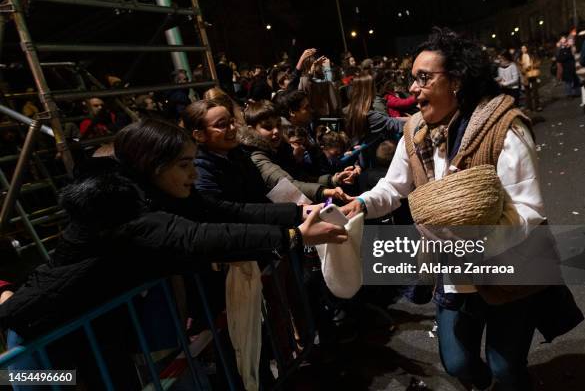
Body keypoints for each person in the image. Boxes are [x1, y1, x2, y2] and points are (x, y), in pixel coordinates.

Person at [0, 119, 347, 386]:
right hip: (38, 342)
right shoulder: (115, 207)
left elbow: (225, 212)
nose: (194, 174)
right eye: (184, 165)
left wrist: (296, 214)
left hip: (95, 334)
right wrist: (292, 236)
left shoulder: (153, 193)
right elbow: (194, 236)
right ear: (153, 165)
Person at [341, 28, 583, 391]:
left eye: (424, 78)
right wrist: (359, 203)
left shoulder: (505, 128)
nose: (413, 89)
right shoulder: (415, 131)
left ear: (456, 80)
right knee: (457, 363)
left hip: (510, 271)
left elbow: (528, 210)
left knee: (506, 368)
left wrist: (474, 249)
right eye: (412, 79)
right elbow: (394, 187)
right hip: (454, 277)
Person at [344, 73, 408, 169]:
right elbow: (395, 124)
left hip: (357, 161)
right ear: (368, 91)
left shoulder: (348, 111)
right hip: (369, 164)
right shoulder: (369, 115)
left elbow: (389, 120)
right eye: (373, 87)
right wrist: (419, 117)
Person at [518, 45, 542, 112]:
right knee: (527, 92)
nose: (523, 49)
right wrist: (523, 69)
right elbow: (519, 66)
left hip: (532, 74)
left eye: (525, 48)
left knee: (535, 91)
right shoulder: (520, 57)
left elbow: (538, 62)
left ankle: (537, 106)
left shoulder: (532, 55)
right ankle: (529, 107)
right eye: (522, 48)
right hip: (525, 75)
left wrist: (532, 66)